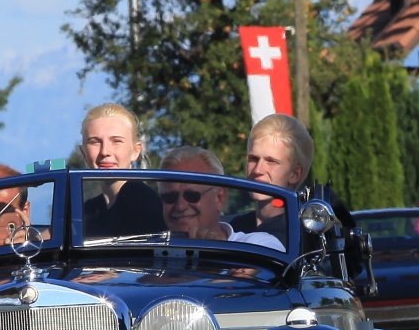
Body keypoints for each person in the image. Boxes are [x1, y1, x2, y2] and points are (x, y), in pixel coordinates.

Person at [158, 147, 283, 249]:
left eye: (192, 196)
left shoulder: (258, 246)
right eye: (170, 197)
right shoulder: (151, 251)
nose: (180, 206)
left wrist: (216, 252)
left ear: (219, 197)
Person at [79, 103, 163, 238]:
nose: (105, 151)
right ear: (83, 153)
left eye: (116, 141)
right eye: (95, 142)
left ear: (136, 151)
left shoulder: (141, 201)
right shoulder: (90, 209)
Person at [230, 113, 313, 235]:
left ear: (295, 174)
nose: (257, 170)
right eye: (253, 159)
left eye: (271, 161)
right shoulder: (235, 227)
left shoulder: (303, 235)